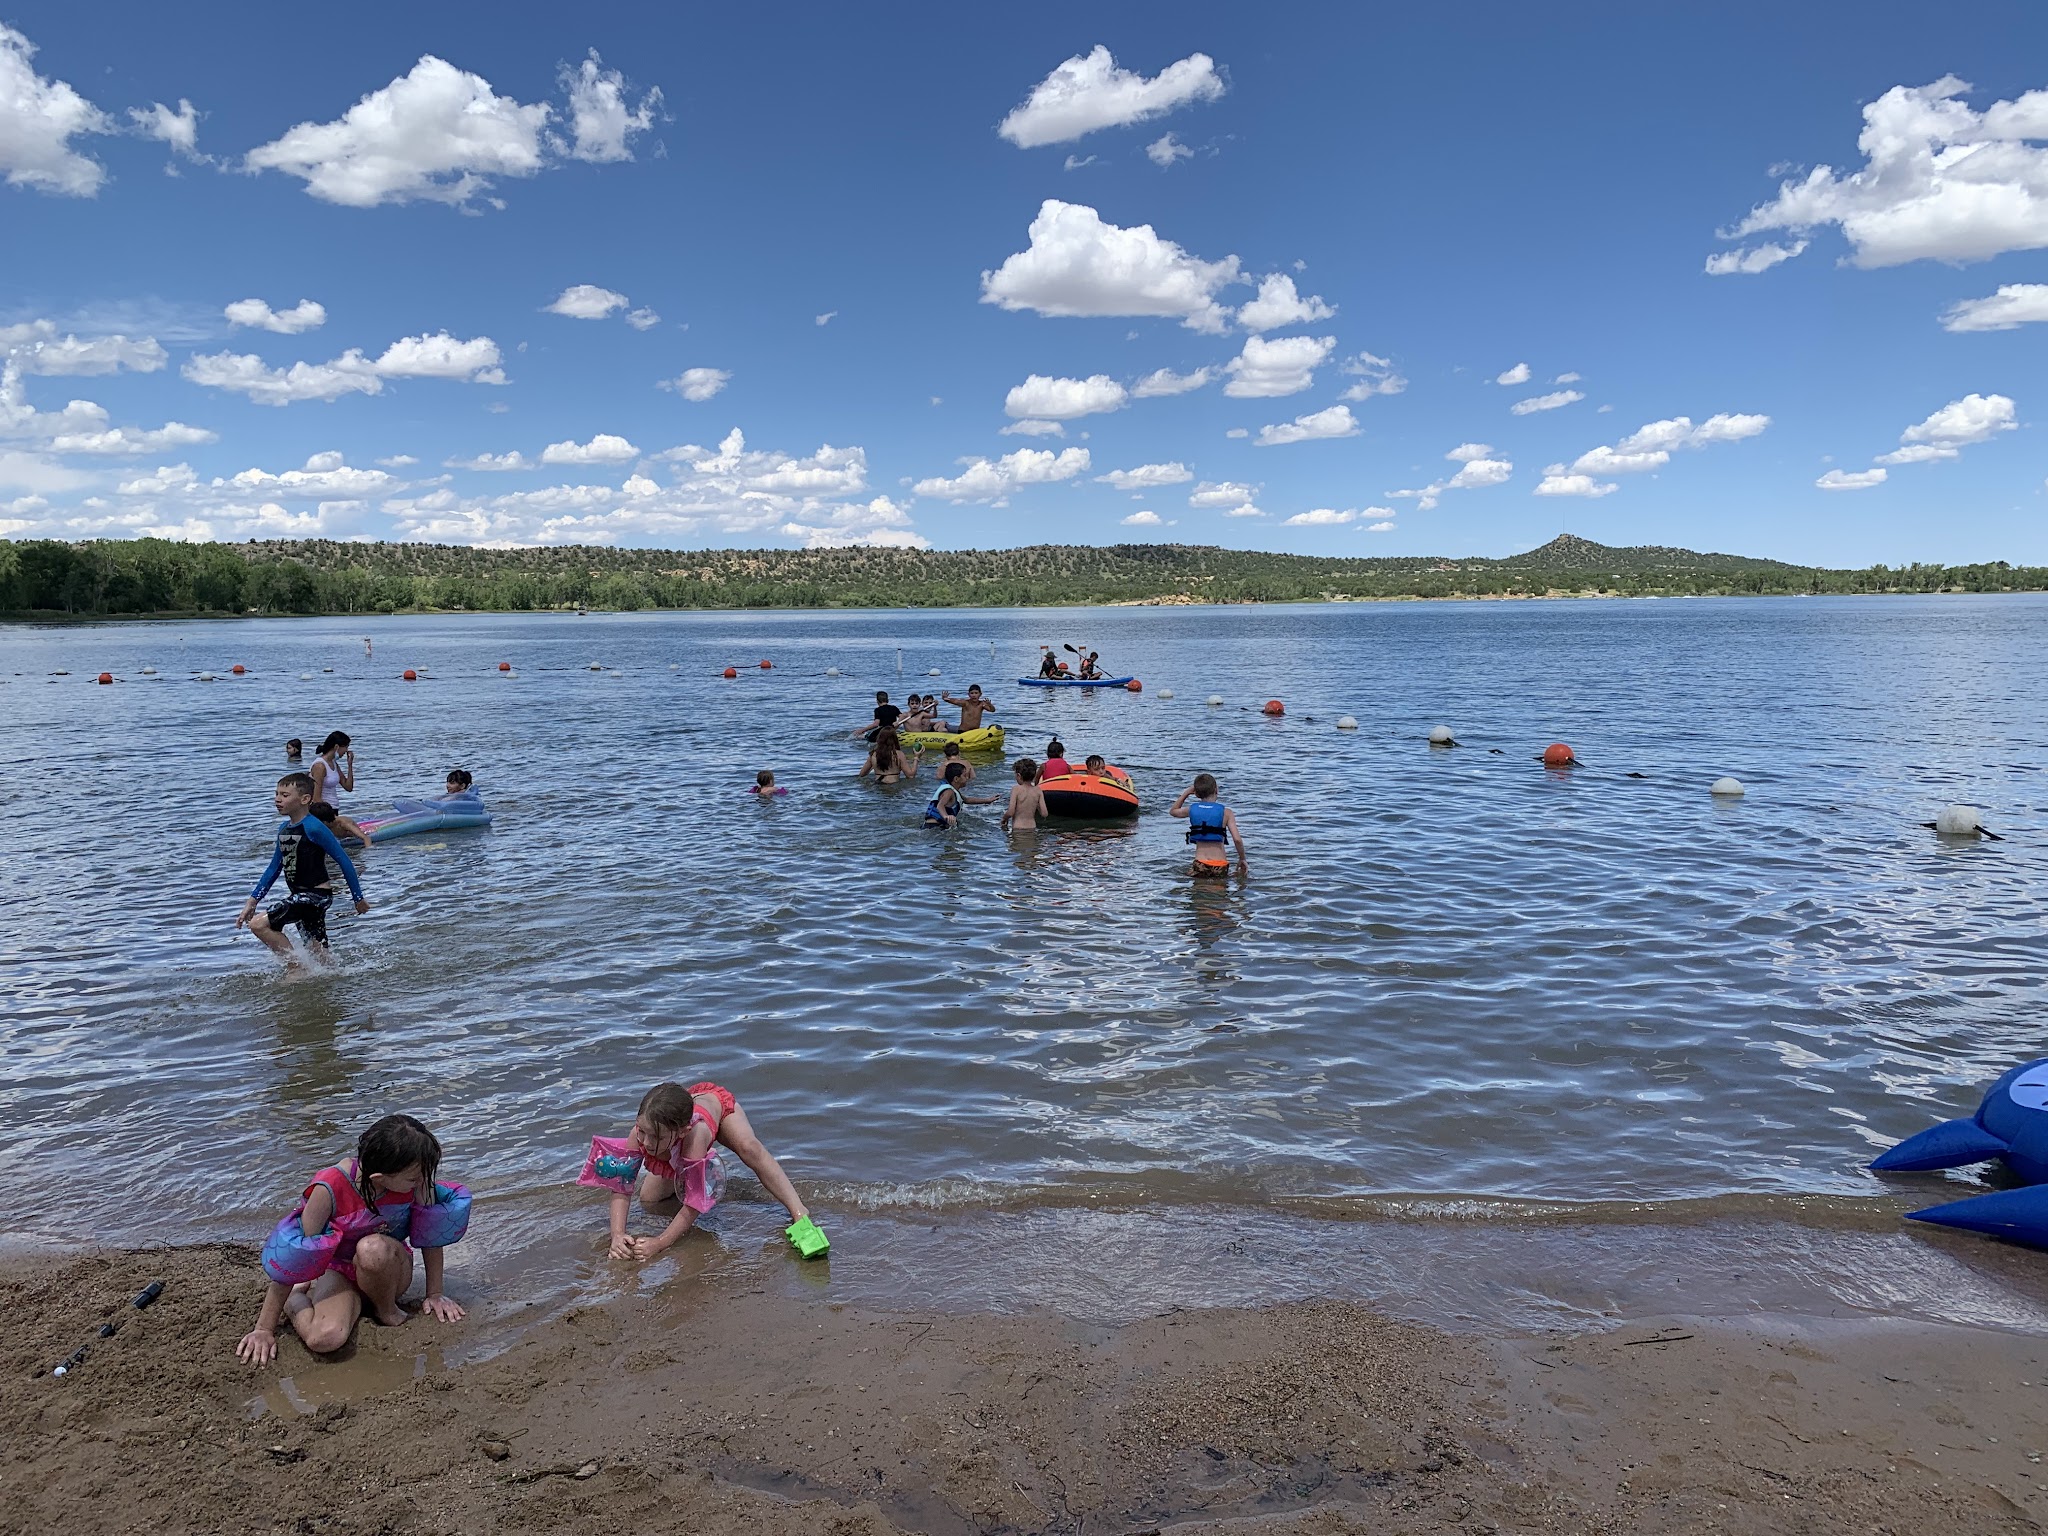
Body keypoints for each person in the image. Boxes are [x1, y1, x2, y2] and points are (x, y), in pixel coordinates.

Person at [236, 1112, 467, 1365]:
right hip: (339, 1273)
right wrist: (264, 1329)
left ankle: (386, 1310)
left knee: (371, 1248)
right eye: (414, 1178)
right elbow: (298, 1255)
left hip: (389, 1269)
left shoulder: (418, 1182)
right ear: (379, 1179)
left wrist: (434, 1294)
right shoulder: (329, 1189)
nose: (422, 1181)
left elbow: (431, 1238)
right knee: (325, 1339)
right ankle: (297, 1300)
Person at [605, 1081, 821, 1261]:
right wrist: (617, 1235)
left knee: (749, 1148)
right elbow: (621, 1187)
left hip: (716, 1109)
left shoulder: (693, 1137)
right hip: (676, 1121)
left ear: (683, 1131)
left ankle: (798, 1210)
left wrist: (660, 1242)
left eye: (656, 1138)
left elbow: (694, 1203)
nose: (647, 1142)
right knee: (650, 1199)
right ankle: (694, 1173)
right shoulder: (642, 1134)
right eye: (642, 1131)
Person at [238, 772, 370, 969]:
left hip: (315, 896)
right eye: (276, 794)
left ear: (305, 799)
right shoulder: (284, 829)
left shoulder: (314, 827)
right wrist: (252, 900)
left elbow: (344, 861)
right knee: (318, 953)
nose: (277, 799)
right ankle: (336, 979)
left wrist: (357, 898)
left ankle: (295, 968)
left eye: (284, 795)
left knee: (258, 925)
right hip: (300, 895)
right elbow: (274, 867)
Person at [1170, 773, 1248, 878]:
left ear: (1196, 794)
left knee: (1199, 890)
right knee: (1220, 891)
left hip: (1200, 863)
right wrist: (1242, 858)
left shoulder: (1191, 809)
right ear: (1216, 790)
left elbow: (1173, 811)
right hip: (1220, 865)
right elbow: (1237, 839)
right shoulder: (1226, 812)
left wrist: (1187, 792)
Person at [309, 731, 371, 845]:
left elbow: (348, 787)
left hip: (333, 810)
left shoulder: (333, 763)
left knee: (349, 835)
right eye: (345, 748)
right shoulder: (320, 766)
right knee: (349, 831)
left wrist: (350, 765)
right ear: (337, 747)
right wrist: (332, 818)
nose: (346, 752)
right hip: (323, 813)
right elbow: (316, 798)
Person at [925, 760, 998, 828]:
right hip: (933, 826)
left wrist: (987, 800)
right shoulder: (948, 791)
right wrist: (946, 816)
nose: (967, 778)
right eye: (964, 776)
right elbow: (940, 805)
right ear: (956, 779)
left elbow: (967, 800)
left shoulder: (954, 791)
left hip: (938, 826)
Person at [1001, 758, 1048, 833]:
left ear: (1019, 776)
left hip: (1018, 828)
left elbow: (1010, 812)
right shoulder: (1038, 790)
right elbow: (1044, 813)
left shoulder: (1016, 789)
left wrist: (1004, 819)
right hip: (1032, 828)